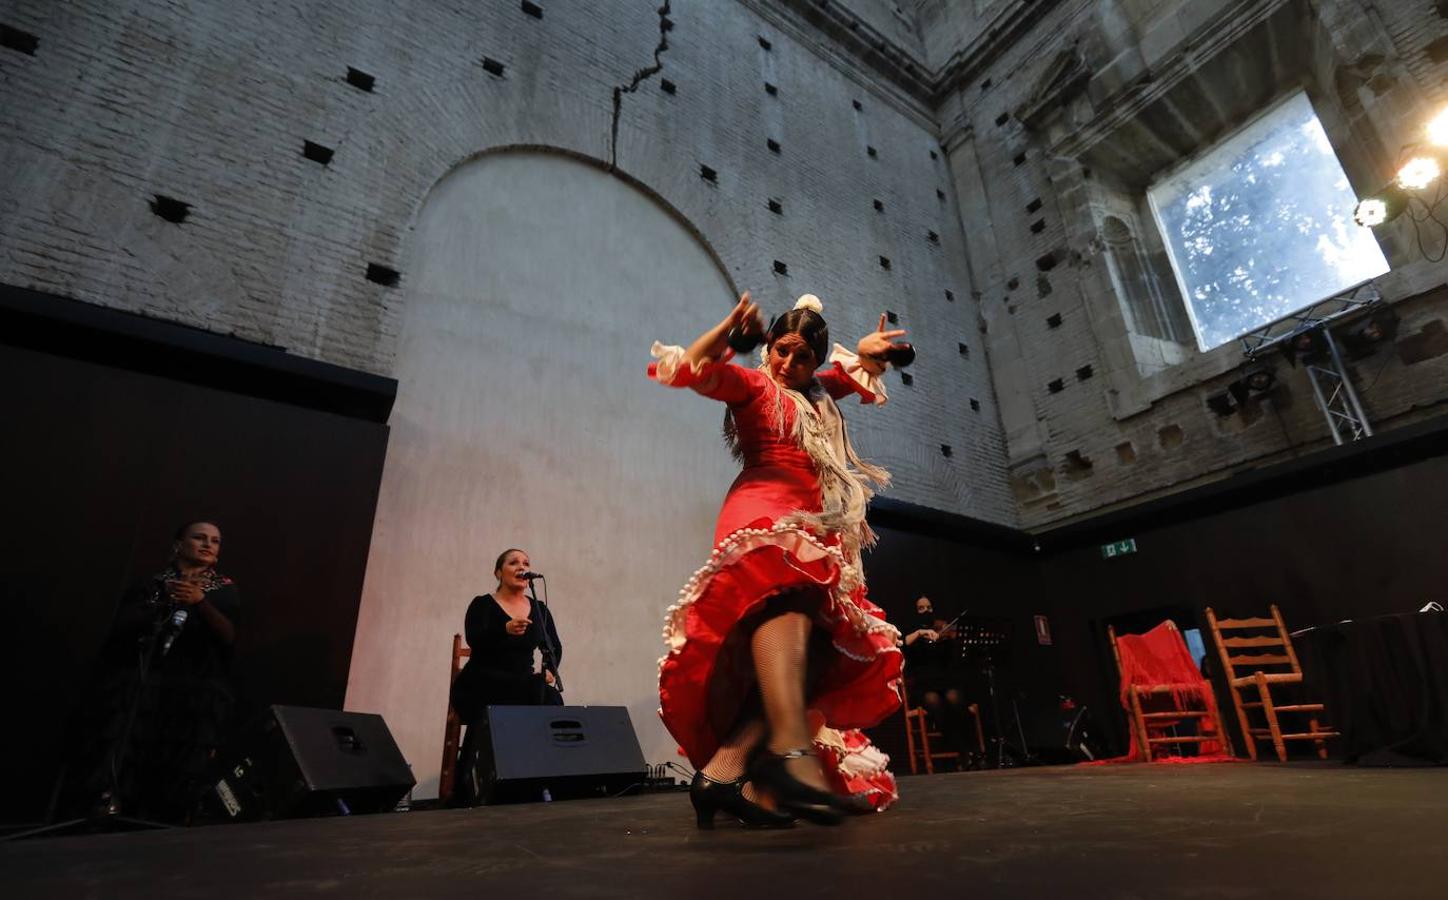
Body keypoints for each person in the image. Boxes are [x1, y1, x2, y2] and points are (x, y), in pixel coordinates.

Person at [650, 291, 909, 828]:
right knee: (789, 599)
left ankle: (723, 773)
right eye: (780, 351)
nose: (788, 364)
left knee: (820, 654)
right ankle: (792, 754)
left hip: (817, 527)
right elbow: (693, 370)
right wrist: (727, 326)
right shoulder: (751, 385)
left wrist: (866, 352)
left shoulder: (821, 395)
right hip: (765, 514)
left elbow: (855, 368)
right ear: (768, 348)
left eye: (802, 357)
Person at [65, 521, 241, 824]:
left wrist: (200, 603)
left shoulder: (224, 588)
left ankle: (164, 819)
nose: (208, 544)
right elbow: (121, 627)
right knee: (125, 749)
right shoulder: (152, 584)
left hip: (193, 691)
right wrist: (163, 602)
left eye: (215, 540)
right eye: (199, 538)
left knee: (179, 761)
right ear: (178, 544)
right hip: (144, 685)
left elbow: (229, 637)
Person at [449, 548, 562, 804]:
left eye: (526, 563)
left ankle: (542, 782)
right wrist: (504, 630)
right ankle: (473, 788)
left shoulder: (539, 609)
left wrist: (550, 672)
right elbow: (475, 638)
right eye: (513, 562)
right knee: (514, 697)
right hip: (483, 678)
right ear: (498, 573)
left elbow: (554, 646)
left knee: (550, 697)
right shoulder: (482, 604)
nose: (521, 566)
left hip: (521, 681)